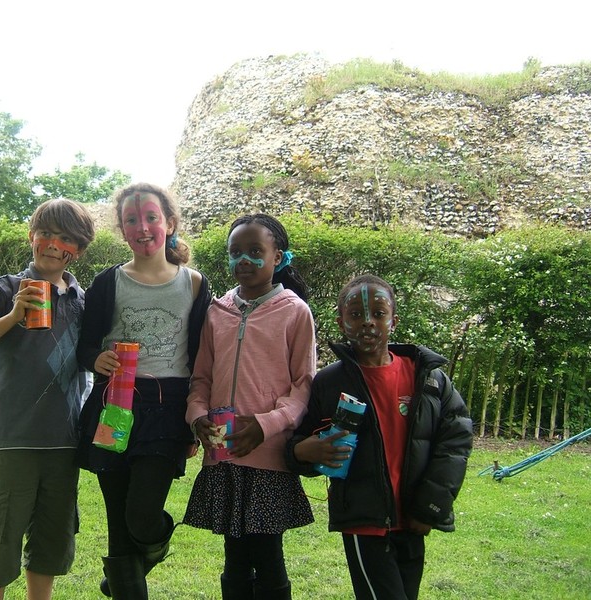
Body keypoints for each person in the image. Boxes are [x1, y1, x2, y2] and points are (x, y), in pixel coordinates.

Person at [286, 274, 473, 600]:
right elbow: (302, 439)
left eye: (378, 313)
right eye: (356, 314)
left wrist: (429, 508)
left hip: (413, 518)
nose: (367, 322)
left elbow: (455, 442)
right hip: (364, 522)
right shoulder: (329, 382)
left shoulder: (428, 379)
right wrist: (303, 452)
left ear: (393, 320)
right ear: (341, 323)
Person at [0, 198, 95, 600]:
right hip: (10, 440)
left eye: (65, 238)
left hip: (64, 443)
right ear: (31, 236)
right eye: (45, 233)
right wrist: (13, 315)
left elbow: (87, 367)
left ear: (78, 250)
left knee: (51, 544)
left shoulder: (83, 301)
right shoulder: (5, 289)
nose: (53, 244)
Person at [75, 182, 211, 599]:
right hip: (114, 404)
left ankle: (156, 543)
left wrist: (195, 420)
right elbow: (85, 345)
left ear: (169, 223)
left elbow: (202, 357)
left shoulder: (194, 284)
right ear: (122, 229)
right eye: (132, 219)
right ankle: (125, 578)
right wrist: (96, 359)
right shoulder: (108, 282)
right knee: (119, 528)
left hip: (168, 410)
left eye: (151, 217)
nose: (143, 227)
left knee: (142, 515)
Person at [184, 214, 317, 600]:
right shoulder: (217, 312)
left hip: (268, 457)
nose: (244, 259)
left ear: (278, 257)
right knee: (235, 560)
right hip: (224, 456)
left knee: (269, 557)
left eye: (255, 251)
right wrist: (197, 417)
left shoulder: (295, 312)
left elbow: (303, 387)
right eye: (235, 252)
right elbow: (201, 379)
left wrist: (266, 424)